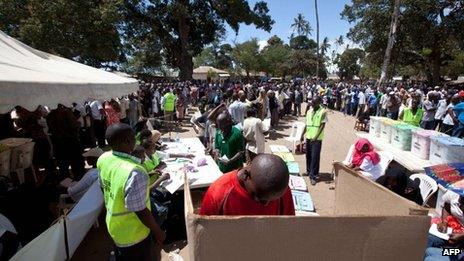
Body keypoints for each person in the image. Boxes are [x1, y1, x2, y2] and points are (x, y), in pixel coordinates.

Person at [97, 123, 165, 260]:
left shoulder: (103, 159)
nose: (136, 140)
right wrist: (158, 232)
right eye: (134, 137)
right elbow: (141, 211)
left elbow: (103, 188)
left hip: (114, 226)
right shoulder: (134, 171)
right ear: (127, 141)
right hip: (134, 233)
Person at [199, 154, 295, 215]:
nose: (265, 204)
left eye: (272, 200)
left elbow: (288, 228)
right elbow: (204, 234)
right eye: (258, 197)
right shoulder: (219, 194)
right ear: (246, 175)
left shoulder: (279, 189)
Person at [301, 96, 327, 185]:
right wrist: (302, 134)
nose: (313, 104)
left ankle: (314, 175)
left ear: (319, 102)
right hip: (309, 136)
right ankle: (308, 171)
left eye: (315, 103)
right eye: (312, 102)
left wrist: (316, 137)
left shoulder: (323, 111)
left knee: (315, 157)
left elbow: (322, 125)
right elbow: (307, 124)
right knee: (308, 155)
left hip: (317, 139)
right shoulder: (309, 111)